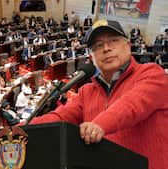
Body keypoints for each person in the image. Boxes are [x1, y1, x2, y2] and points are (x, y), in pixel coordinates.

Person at [28, 19, 168, 169]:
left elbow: (132, 105)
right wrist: (19, 130)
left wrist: (99, 124)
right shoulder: (86, 92)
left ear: (128, 46)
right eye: (98, 45)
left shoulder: (152, 73)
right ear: (92, 58)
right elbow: (60, 117)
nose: (106, 48)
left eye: (113, 41)